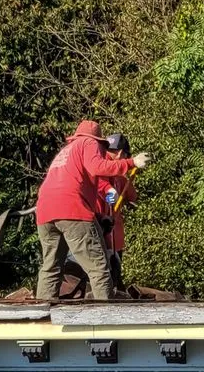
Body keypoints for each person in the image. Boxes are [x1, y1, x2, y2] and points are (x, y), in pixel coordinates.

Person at [36, 120, 149, 300]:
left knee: (51, 267)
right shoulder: (89, 143)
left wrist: (98, 217)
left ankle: (41, 317)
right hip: (72, 211)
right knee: (99, 268)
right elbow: (97, 167)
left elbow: (66, 188)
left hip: (45, 213)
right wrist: (132, 162)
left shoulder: (66, 150)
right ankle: (104, 318)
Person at [97, 133, 137, 290]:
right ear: (122, 154)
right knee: (102, 274)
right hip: (101, 229)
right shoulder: (102, 165)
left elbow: (132, 196)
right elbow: (103, 187)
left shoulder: (119, 176)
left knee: (111, 275)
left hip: (112, 233)